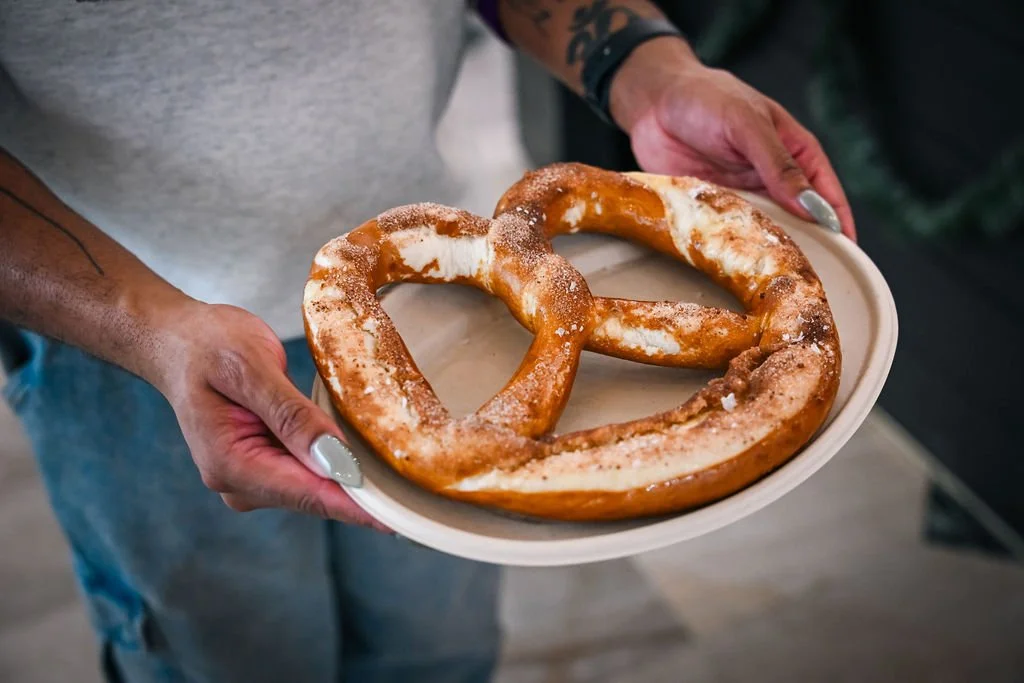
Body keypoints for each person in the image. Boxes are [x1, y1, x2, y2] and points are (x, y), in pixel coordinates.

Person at [0, 1, 855, 681]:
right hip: (123, 342)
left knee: (435, 652)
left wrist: (648, 70)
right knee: (224, 660)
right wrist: (140, 322)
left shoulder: (515, 272)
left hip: (436, 314)